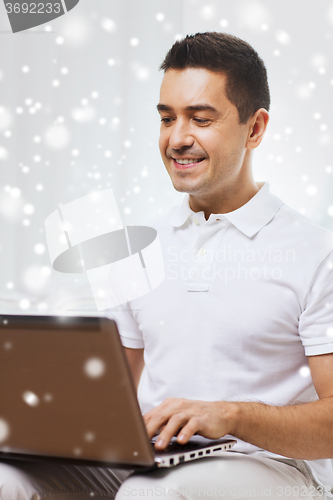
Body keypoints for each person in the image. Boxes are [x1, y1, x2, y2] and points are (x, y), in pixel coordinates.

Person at [1, 32, 333, 500]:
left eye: (200, 119)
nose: (177, 139)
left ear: (254, 128)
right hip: (152, 458)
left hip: (272, 467)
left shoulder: (316, 253)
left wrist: (230, 415)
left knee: (150, 494)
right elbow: (108, 394)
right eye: (166, 118)